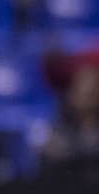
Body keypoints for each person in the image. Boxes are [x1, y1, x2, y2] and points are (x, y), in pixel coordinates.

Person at [39, 50, 99, 184]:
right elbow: (50, 152)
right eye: (84, 93)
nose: (89, 99)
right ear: (72, 95)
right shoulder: (61, 124)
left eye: (94, 93)